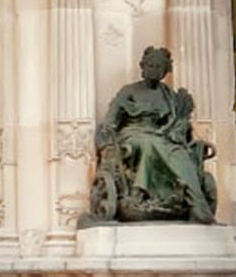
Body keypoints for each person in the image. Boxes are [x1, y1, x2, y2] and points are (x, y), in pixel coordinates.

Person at [92, 46, 215, 224]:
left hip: (162, 136)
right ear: (142, 66)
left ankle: (195, 201)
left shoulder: (169, 95)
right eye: (150, 65)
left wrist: (178, 131)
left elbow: (181, 124)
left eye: (158, 67)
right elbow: (111, 120)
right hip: (133, 135)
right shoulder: (129, 91)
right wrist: (105, 142)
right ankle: (139, 194)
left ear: (165, 71)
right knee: (151, 144)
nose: (153, 70)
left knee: (180, 152)